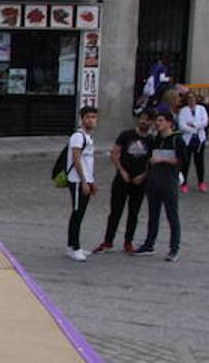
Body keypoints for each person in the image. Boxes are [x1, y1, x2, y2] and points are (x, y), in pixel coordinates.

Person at [93, 109, 154, 255]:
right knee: (115, 211)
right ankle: (108, 241)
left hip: (140, 182)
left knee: (134, 213)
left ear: (151, 122)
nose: (143, 121)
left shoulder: (152, 140)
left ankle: (128, 242)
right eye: (142, 118)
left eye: (147, 119)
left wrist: (143, 176)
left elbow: (153, 161)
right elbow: (114, 153)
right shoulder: (126, 135)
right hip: (122, 179)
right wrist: (121, 171)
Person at [133, 110, 186, 261]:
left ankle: (174, 248)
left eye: (161, 120)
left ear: (169, 123)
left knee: (172, 215)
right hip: (154, 181)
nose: (158, 123)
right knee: (153, 214)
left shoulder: (177, 140)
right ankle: (149, 244)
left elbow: (181, 161)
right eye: (157, 121)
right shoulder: (155, 139)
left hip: (169, 181)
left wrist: (163, 159)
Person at [65, 105, 99, 262]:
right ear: (82, 119)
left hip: (86, 179)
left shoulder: (88, 137)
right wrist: (84, 181)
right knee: (77, 213)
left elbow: (88, 162)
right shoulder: (78, 137)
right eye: (88, 117)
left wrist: (92, 180)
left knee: (80, 213)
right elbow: (76, 159)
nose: (91, 120)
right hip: (78, 181)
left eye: (93, 117)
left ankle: (72, 245)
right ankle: (75, 247)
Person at [176, 91, 209, 193]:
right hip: (187, 140)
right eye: (189, 98)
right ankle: (184, 183)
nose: (191, 100)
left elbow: (205, 122)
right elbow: (182, 126)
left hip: (199, 140)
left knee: (199, 162)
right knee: (185, 162)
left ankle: (201, 182)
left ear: (196, 99)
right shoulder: (183, 111)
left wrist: (194, 125)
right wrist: (194, 129)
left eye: (193, 98)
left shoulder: (202, 109)